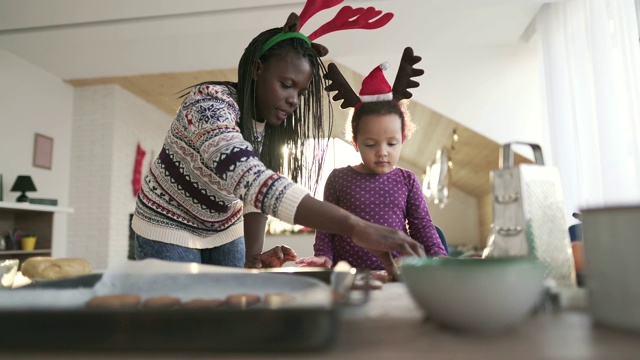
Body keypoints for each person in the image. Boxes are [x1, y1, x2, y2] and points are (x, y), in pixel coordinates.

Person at [131, 1, 425, 277]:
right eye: (286, 85)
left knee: (234, 311)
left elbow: (253, 199)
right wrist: (356, 226)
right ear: (258, 69)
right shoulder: (209, 104)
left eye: (300, 92)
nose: (294, 100)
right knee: (184, 321)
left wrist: (254, 256)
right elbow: (251, 179)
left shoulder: (266, 127)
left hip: (222, 228)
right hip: (167, 224)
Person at [296, 48, 448, 271]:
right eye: (370, 144)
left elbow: (421, 224)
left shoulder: (407, 179)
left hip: (399, 273)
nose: (382, 152)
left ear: (403, 139)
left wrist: (438, 255)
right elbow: (326, 228)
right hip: (350, 274)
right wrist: (324, 257)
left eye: (391, 143)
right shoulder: (339, 178)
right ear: (355, 142)